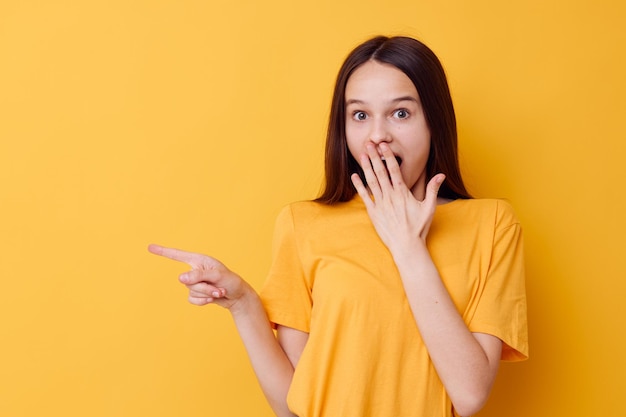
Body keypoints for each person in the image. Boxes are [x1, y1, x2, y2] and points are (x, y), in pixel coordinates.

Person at [148, 35, 528, 417]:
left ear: (434, 121)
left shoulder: (492, 224)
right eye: (360, 115)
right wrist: (244, 305)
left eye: (400, 113)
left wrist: (408, 248)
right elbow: (293, 405)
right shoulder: (304, 225)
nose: (378, 135)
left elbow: (469, 394)